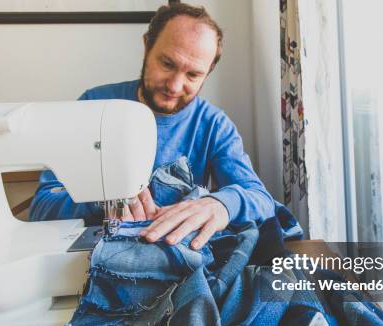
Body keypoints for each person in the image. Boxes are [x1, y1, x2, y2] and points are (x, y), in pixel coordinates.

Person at [29, 3, 276, 250]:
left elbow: (260, 198)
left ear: (208, 71)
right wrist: (99, 201)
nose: (175, 86)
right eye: (167, 64)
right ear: (147, 45)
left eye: (193, 75)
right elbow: (42, 208)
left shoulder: (213, 125)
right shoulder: (92, 106)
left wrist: (222, 204)